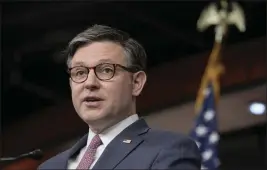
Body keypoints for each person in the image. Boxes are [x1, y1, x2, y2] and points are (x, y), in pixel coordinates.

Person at [38, 24, 201, 170]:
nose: (90, 83)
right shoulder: (50, 167)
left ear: (136, 83)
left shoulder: (169, 150)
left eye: (106, 70)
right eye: (80, 73)